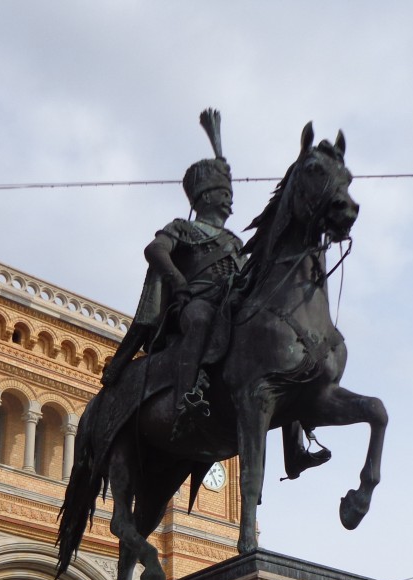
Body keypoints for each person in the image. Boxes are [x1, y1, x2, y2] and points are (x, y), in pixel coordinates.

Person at [102, 109, 329, 478]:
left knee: (279, 352)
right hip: (194, 302)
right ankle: (187, 395)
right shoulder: (183, 228)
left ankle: (295, 448)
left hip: (230, 304)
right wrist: (177, 280)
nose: (229, 201)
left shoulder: (234, 241)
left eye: (229, 194)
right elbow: (155, 251)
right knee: (201, 319)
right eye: (222, 194)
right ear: (204, 198)